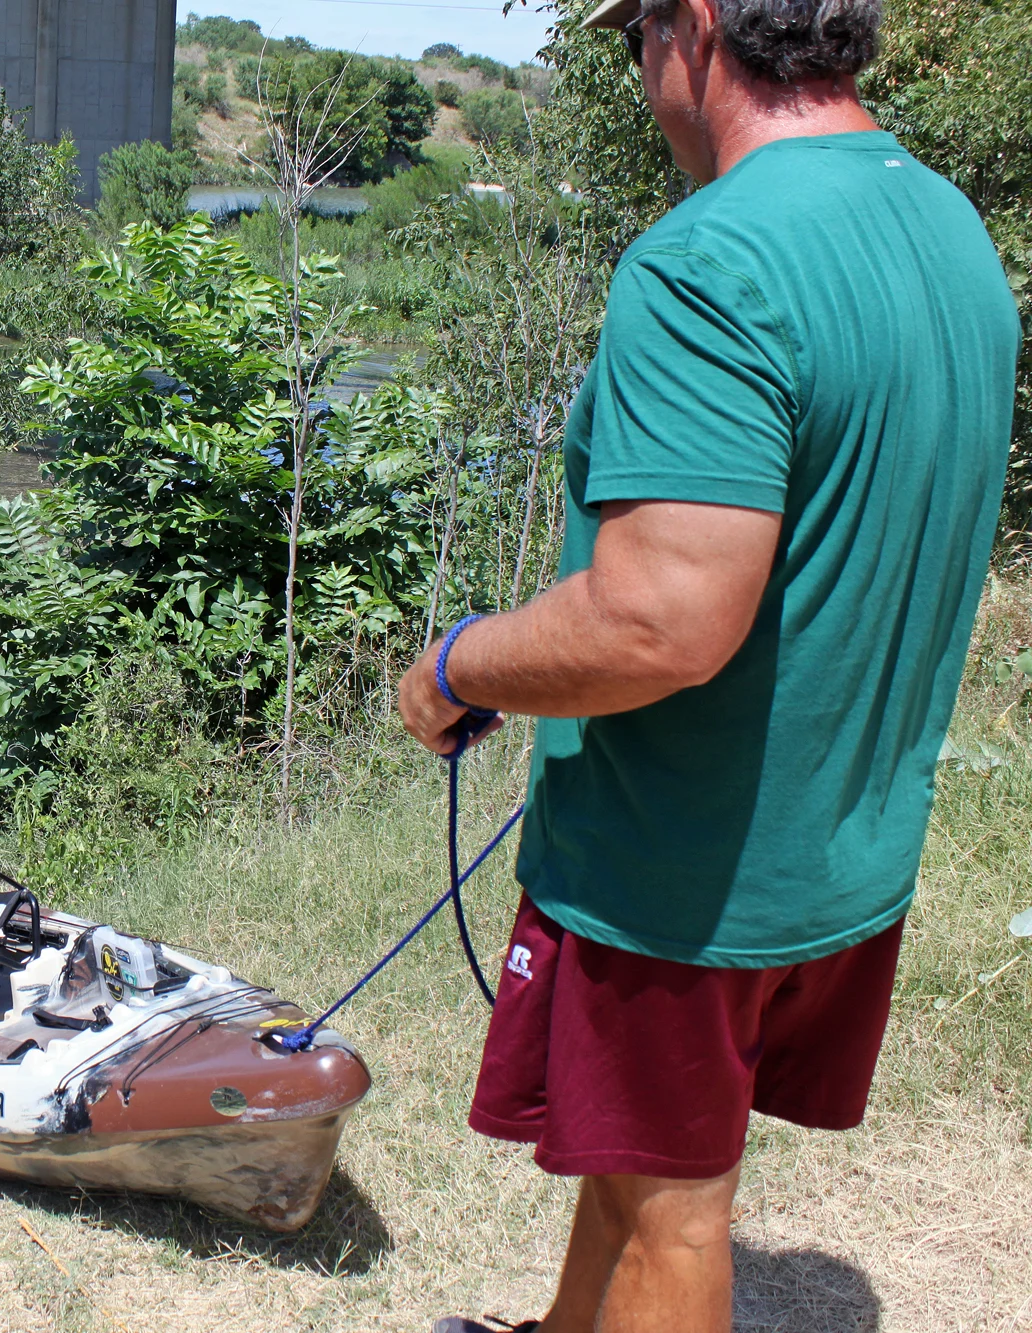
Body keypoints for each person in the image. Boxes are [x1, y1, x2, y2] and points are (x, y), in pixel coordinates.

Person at [406, 0, 1020, 1327]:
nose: (640, 74)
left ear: (692, 29)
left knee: (677, 1212)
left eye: (635, 36)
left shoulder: (711, 263)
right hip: (840, 846)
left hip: (687, 876)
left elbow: (655, 623)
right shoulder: (946, 227)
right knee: (635, 1171)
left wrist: (461, 665)